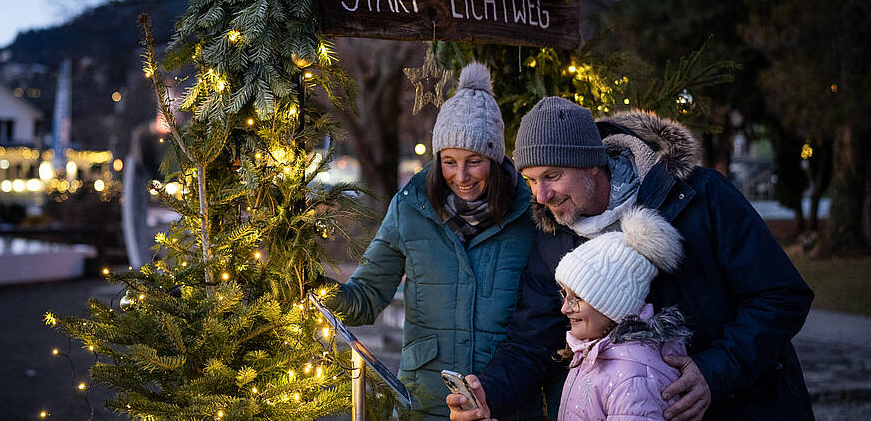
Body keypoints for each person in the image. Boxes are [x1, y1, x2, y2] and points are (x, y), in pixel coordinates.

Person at [446, 97, 814, 421]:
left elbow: (781, 296)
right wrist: (488, 393)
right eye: (529, 181)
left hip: (745, 406)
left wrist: (713, 370)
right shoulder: (557, 237)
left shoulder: (698, 197)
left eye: (552, 176)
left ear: (592, 165)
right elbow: (532, 341)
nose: (541, 196)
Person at [321, 62, 546, 419]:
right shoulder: (411, 209)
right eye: (449, 162)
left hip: (504, 403)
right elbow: (365, 298)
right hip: (426, 404)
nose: (462, 176)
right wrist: (315, 287)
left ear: (495, 157)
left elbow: (545, 319)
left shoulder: (530, 214)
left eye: (474, 161)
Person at [553, 204, 692, 420]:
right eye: (564, 293)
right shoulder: (592, 352)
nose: (564, 308)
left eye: (577, 298)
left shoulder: (633, 377)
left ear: (614, 305)